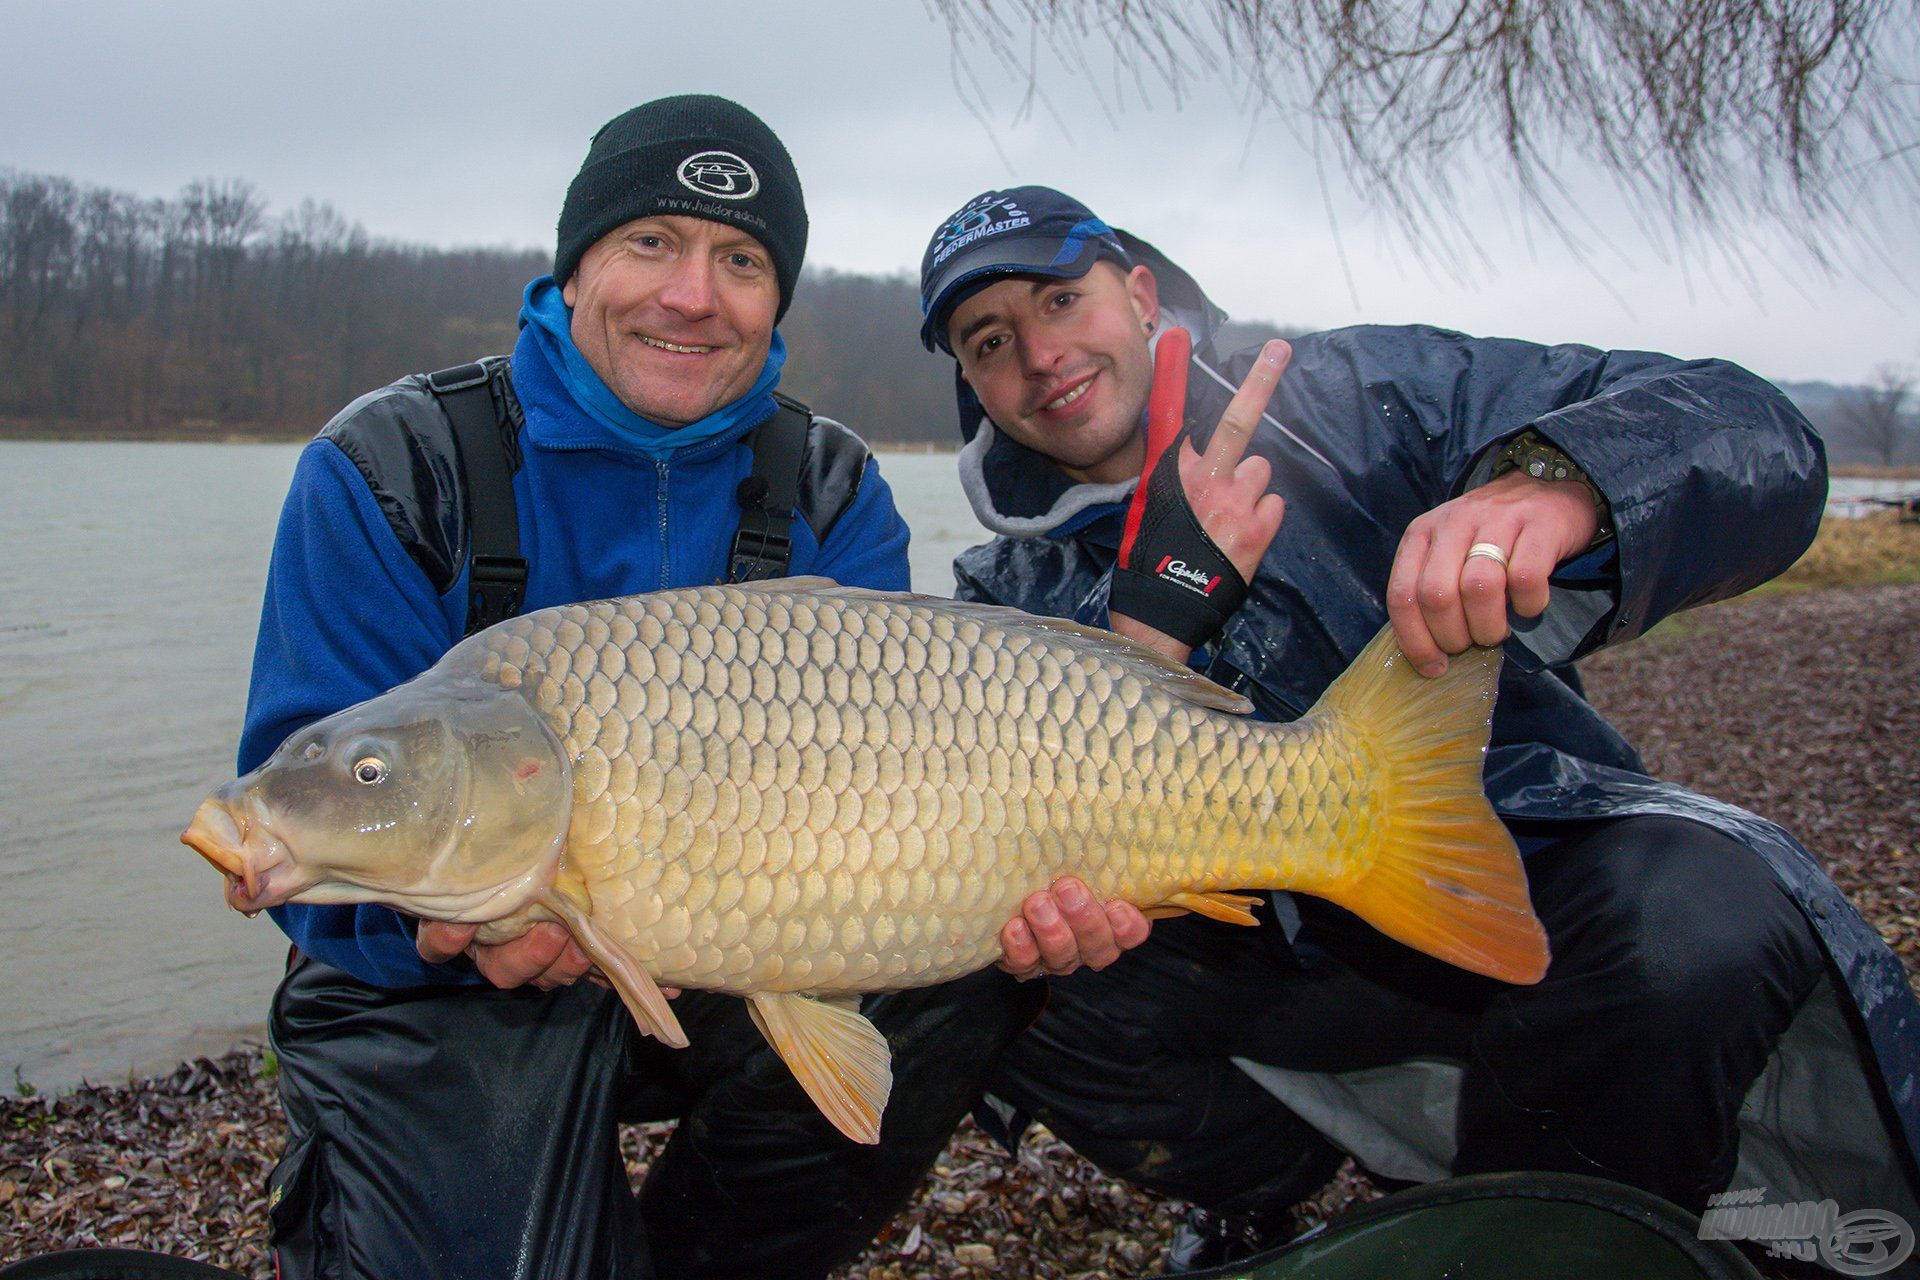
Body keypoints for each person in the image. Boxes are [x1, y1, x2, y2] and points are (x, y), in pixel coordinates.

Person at [917, 185, 1920, 1270]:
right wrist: (1147, 628)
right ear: (972, 381)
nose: (1039, 352)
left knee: (1698, 905)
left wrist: (1557, 487)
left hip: (1503, 876)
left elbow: (1754, 426)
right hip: (1262, 961)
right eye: (989, 339)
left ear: (1142, 293)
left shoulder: (1354, 398)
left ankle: (1549, 1217)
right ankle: (1261, 1189)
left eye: (1063, 298)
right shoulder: (998, 589)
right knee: (986, 986)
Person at [237, 98, 1044, 1280]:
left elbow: (901, 788)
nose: (692, 294)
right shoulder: (392, 465)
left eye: (742, 259)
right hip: (436, 975)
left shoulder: (828, 486)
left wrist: (1044, 874)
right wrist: (442, 936)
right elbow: (308, 820)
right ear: (578, 268)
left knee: (962, 974)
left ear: (777, 301)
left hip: (732, 937)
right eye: (652, 241)